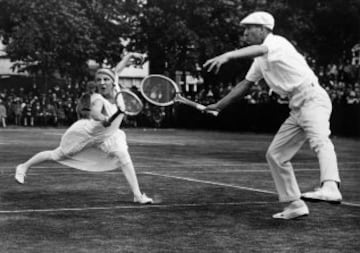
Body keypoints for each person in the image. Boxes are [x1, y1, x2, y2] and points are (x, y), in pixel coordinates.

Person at [203, 11, 342, 219]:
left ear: (263, 29)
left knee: (320, 140)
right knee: (275, 155)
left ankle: (331, 186)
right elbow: (246, 84)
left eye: (249, 28)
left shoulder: (278, 42)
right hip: (296, 107)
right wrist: (219, 105)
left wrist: (229, 55)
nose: (245, 32)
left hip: (313, 98)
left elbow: (259, 49)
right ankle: (295, 204)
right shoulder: (260, 60)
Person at [15, 52, 153, 204]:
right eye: (99, 80)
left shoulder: (116, 88)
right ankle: (23, 166)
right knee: (56, 155)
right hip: (87, 135)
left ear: (113, 81)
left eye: (106, 79)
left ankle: (138, 195)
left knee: (123, 156)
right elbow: (95, 113)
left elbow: (118, 68)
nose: (102, 82)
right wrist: (104, 119)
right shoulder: (97, 98)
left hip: (109, 136)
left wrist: (131, 55)